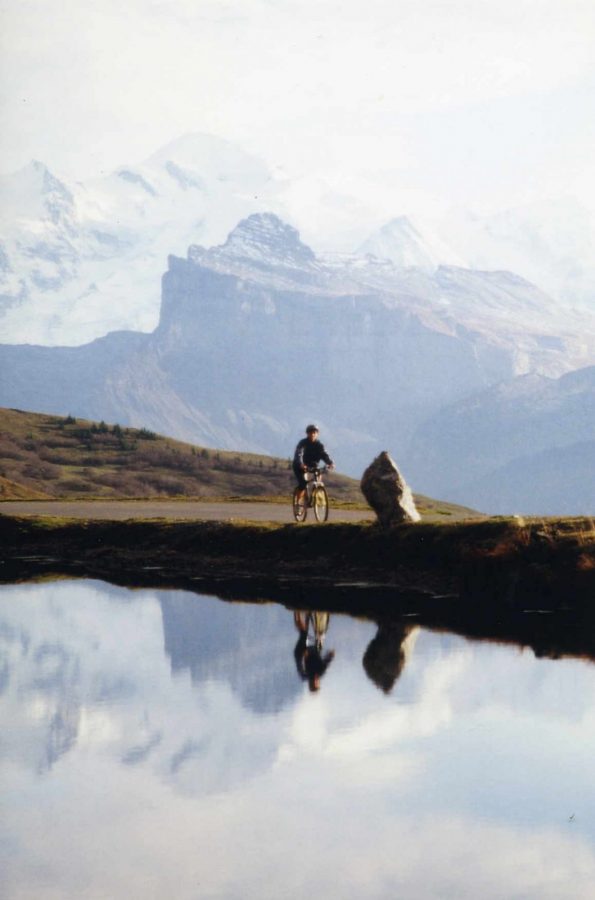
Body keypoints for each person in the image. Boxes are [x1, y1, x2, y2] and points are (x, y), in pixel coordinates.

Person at [292, 424, 334, 507]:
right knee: (303, 484)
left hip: (312, 465)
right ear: (307, 434)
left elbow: (324, 454)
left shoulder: (319, 445)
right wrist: (301, 464)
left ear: (317, 434)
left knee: (318, 480)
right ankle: (298, 503)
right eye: (310, 433)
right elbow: (299, 454)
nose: (312, 434)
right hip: (299, 466)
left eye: (314, 433)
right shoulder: (302, 443)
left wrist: (330, 463)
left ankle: (316, 499)